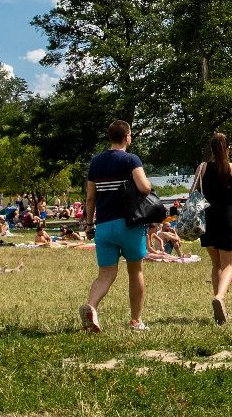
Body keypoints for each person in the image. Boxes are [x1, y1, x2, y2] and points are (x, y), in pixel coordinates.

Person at [82, 119, 155, 333]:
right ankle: (135, 321)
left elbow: (90, 197)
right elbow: (144, 188)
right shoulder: (131, 159)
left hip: (104, 226)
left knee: (105, 273)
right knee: (135, 270)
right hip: (129, 224)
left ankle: (91, 307)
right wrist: (147, 186)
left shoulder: (95, 162)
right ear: (126, 137)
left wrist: (89, 223)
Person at [195, 131, 232, 325]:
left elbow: (193, 192)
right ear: (227, 149)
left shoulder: (202, 168)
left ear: (211, 150)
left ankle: (219, 305)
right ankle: (220, 298)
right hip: (226, 217)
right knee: (229, 264)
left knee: (216, 265)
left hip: (208, 218)